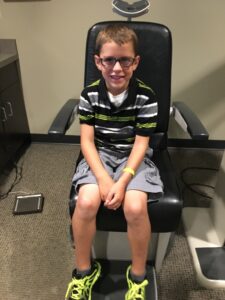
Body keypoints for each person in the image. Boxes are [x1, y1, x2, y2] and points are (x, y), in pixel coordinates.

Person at [65, 23, 163, 300]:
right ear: (98, 62)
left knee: (134, 206)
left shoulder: (146, 97)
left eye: (125, 60)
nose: (117, 67)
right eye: (109, 60)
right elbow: (86, 141)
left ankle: (139, 276)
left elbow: (142, 143)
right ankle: (84, 272)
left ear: (136, 62)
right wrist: (104, 178)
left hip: (134, 157)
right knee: (85, 202)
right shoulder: (89, 96)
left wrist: (123, 180)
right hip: (100, 155)